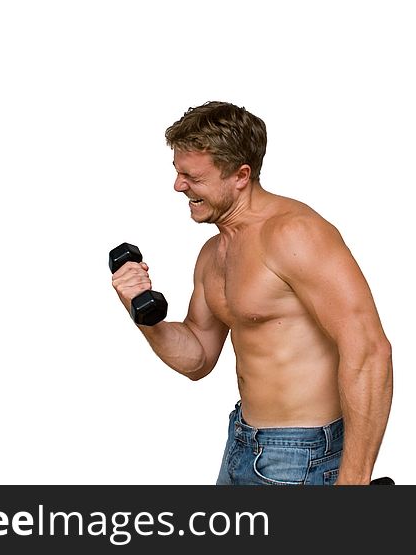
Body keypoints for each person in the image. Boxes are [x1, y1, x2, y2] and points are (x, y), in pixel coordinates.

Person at [111, 101, 393, 485]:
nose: (179, 186)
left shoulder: (294, 235)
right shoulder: (214, 253)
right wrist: (143, 315)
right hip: (242, 443)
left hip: (304, 456)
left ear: (241, 175)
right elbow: (197, 358)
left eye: (192, 176)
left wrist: (354, 482)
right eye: (178, 174)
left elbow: (369, 351)